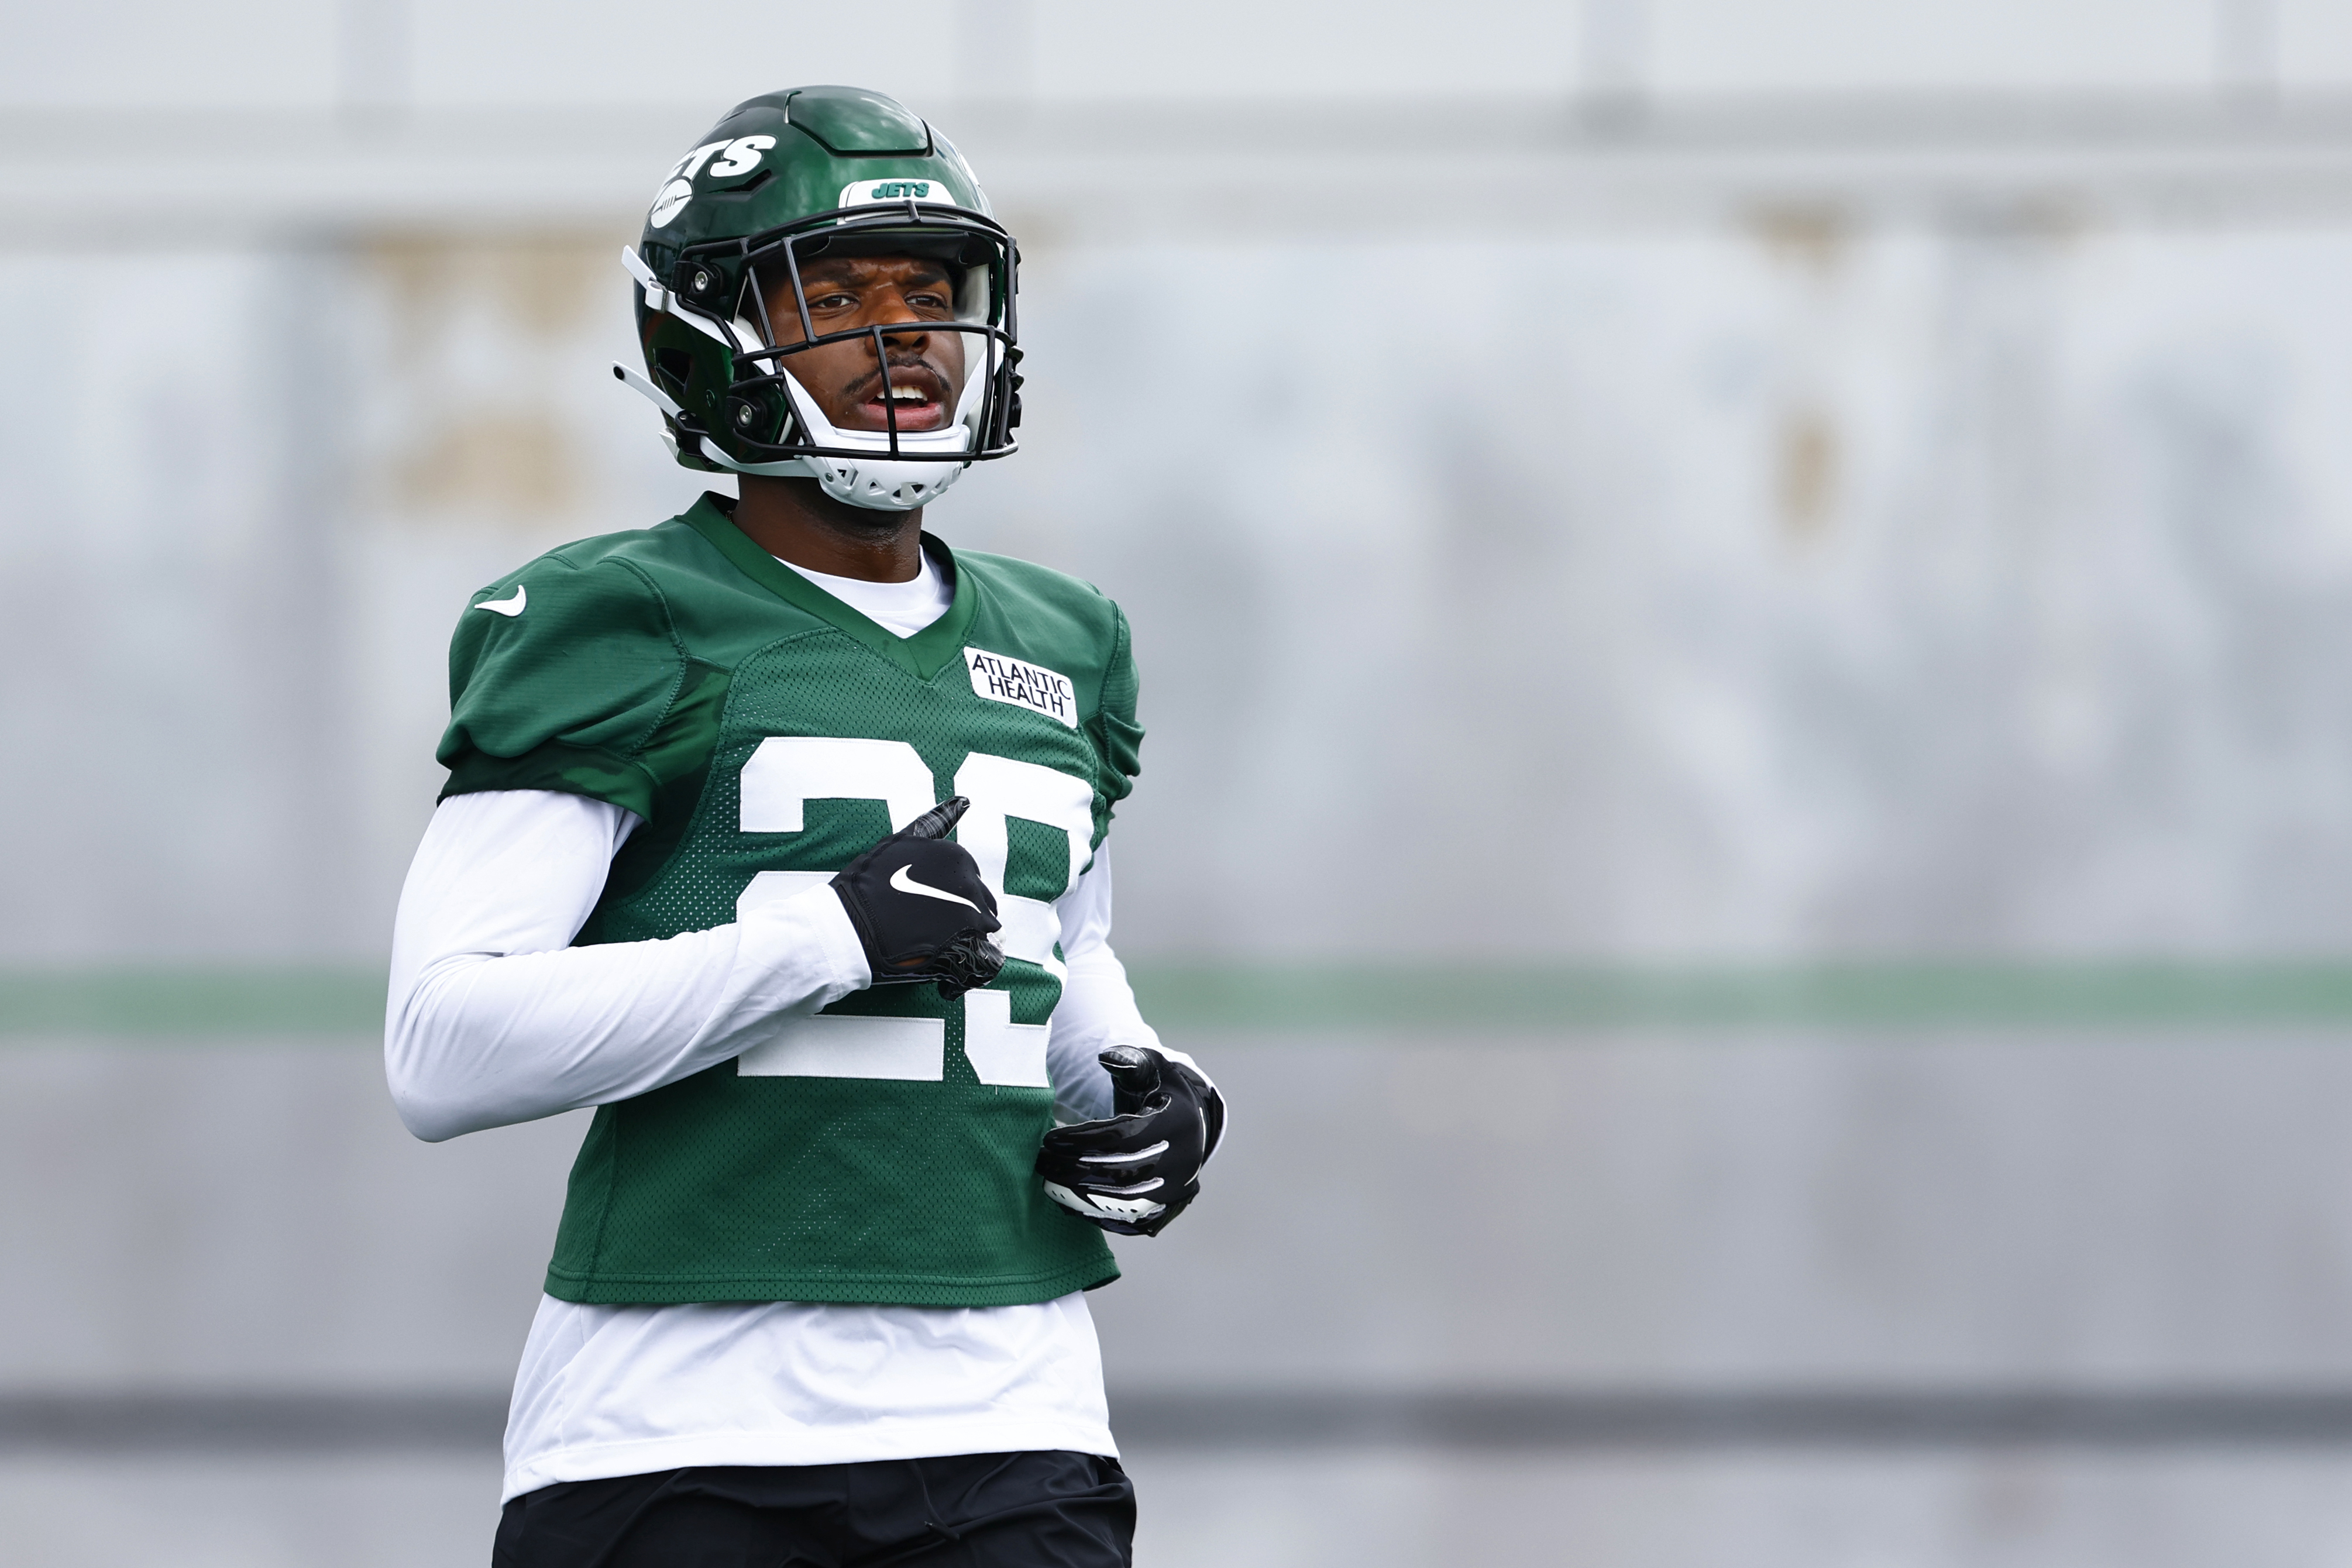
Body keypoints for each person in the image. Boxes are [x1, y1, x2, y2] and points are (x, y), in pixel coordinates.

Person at [383, 84, 1223, 1567]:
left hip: (1010, 1414)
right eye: (834, 294)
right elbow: (444, 1046)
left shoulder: (1069, 639)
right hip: (680, 1425)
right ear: (708, 335)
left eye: (929, 292)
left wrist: (1139, 1079)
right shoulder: (621, 618)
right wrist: (817, 938)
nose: (903, 335)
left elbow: (1058, 942)